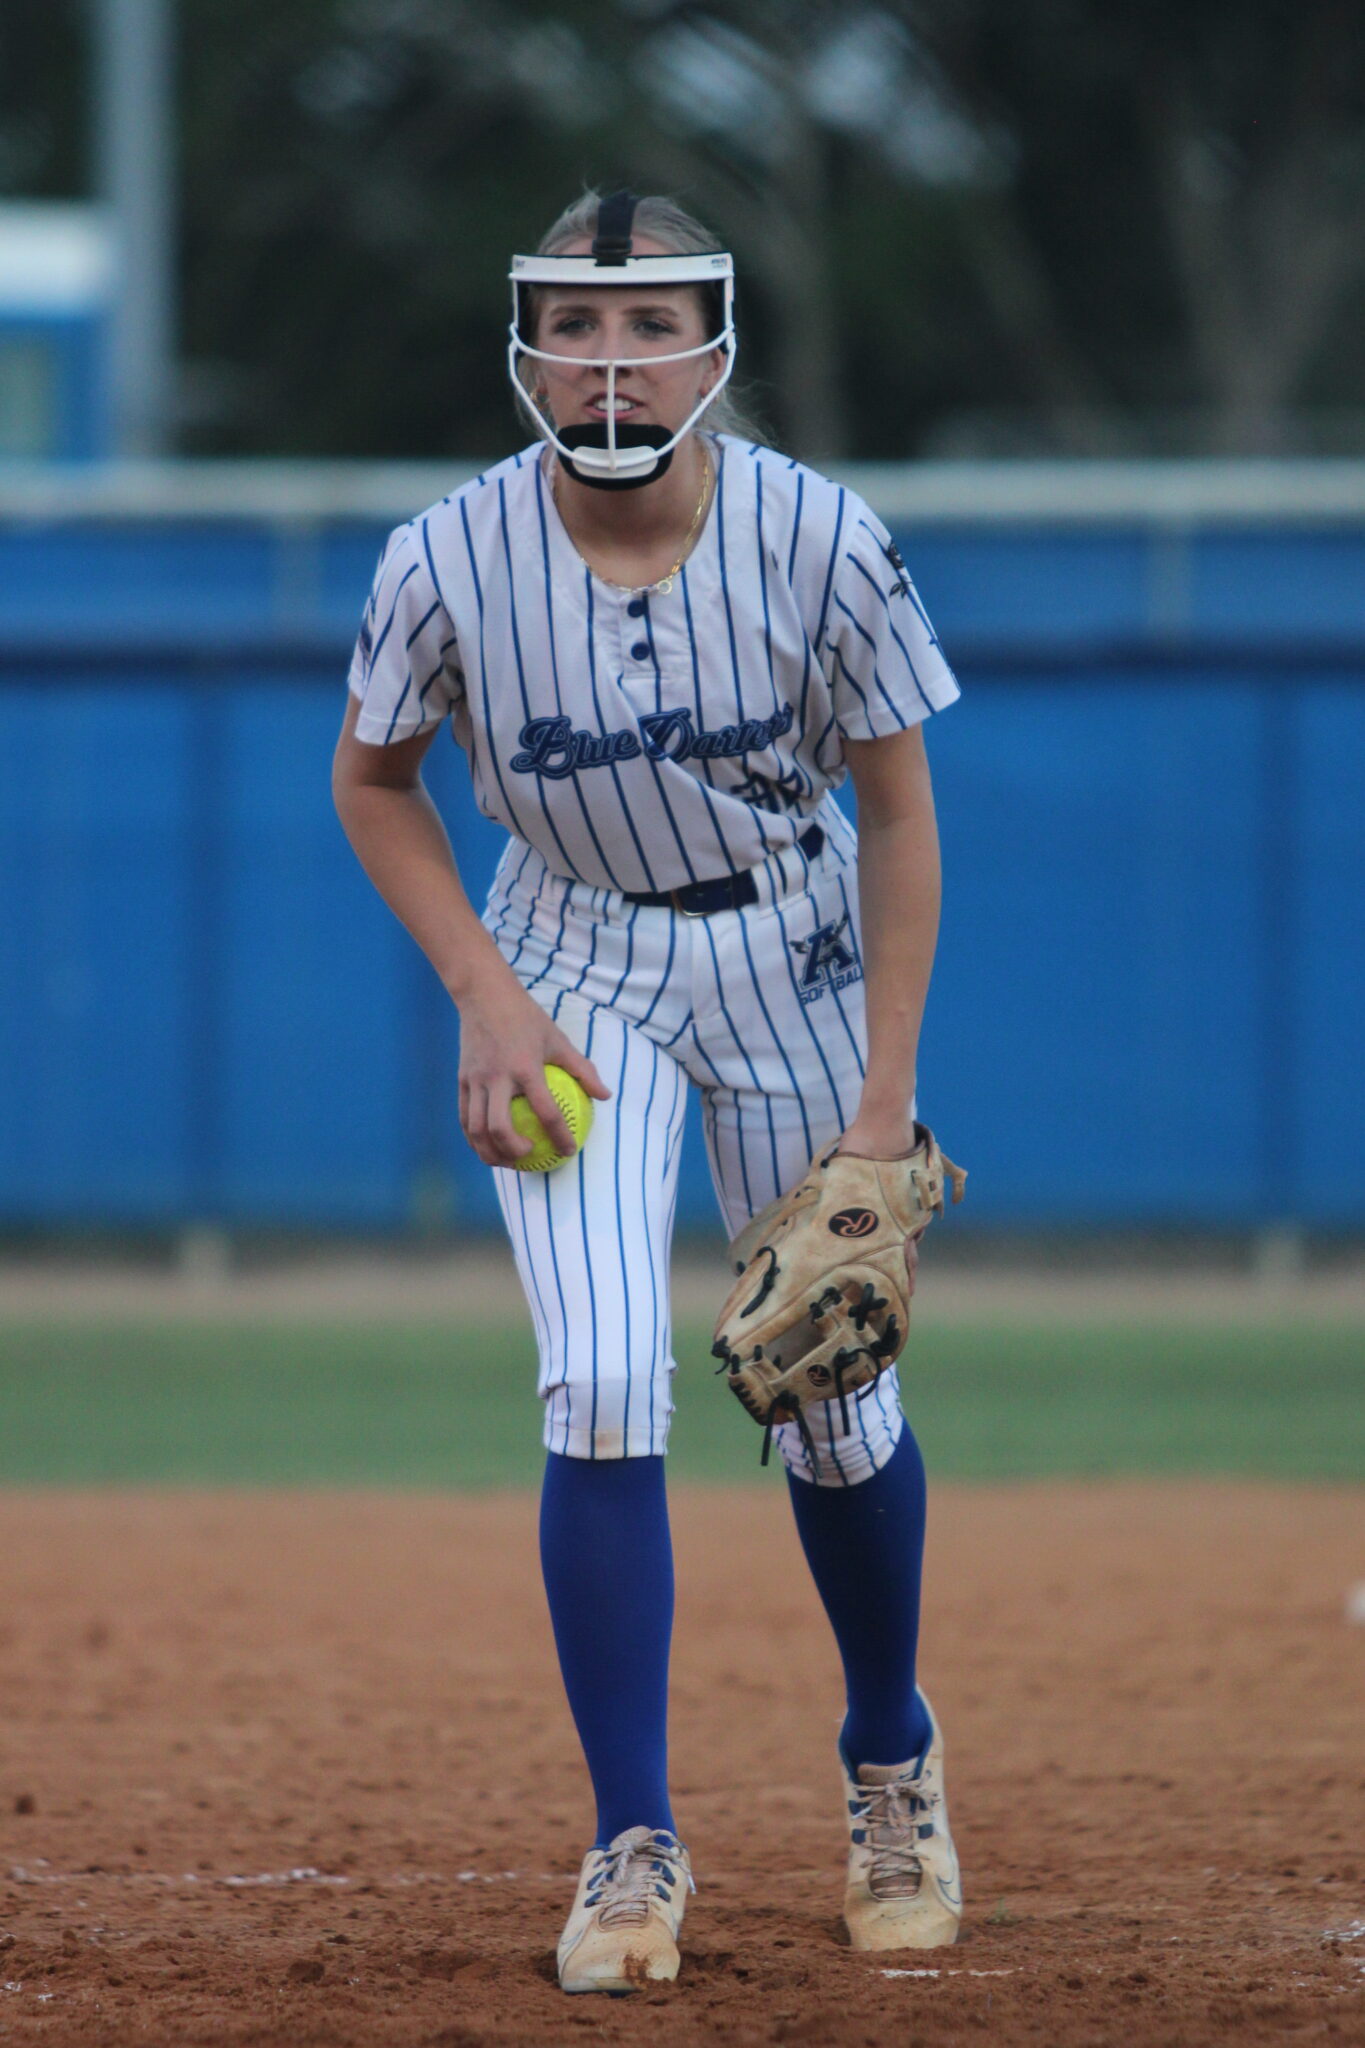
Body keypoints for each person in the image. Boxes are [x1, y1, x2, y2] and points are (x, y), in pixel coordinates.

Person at [332, 190, 963, 1994]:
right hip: (568, 962)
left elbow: (900, 811)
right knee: (604, 1379)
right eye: (576, 327)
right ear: (525, 346)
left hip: (797, 958)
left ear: (716, 343)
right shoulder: (445, 557)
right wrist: (482, 993)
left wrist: (882, 1099)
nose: (612, 363)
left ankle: (890, 1762)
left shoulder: (820, 536)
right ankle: (631, 1844)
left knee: (828, 1387)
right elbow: (373, 783)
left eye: (651, 323)